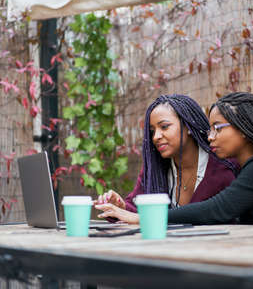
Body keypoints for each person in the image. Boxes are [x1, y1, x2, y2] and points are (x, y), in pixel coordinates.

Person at [96, 91, 253, 289]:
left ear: (244, 128)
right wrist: (125, 210)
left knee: (209, 284)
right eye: (152, 130)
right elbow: (134, 205)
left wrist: (146, 218)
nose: (210, 135)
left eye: (217, 128)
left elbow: (219, 209)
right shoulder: (252, 165)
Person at [95, 93, 237, 222]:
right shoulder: (155, 168)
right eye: (152, 131)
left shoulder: (224, 166)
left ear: (187, 126)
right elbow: (139, 212)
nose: (156, 137)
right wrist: (121, 208)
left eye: (164, 127)